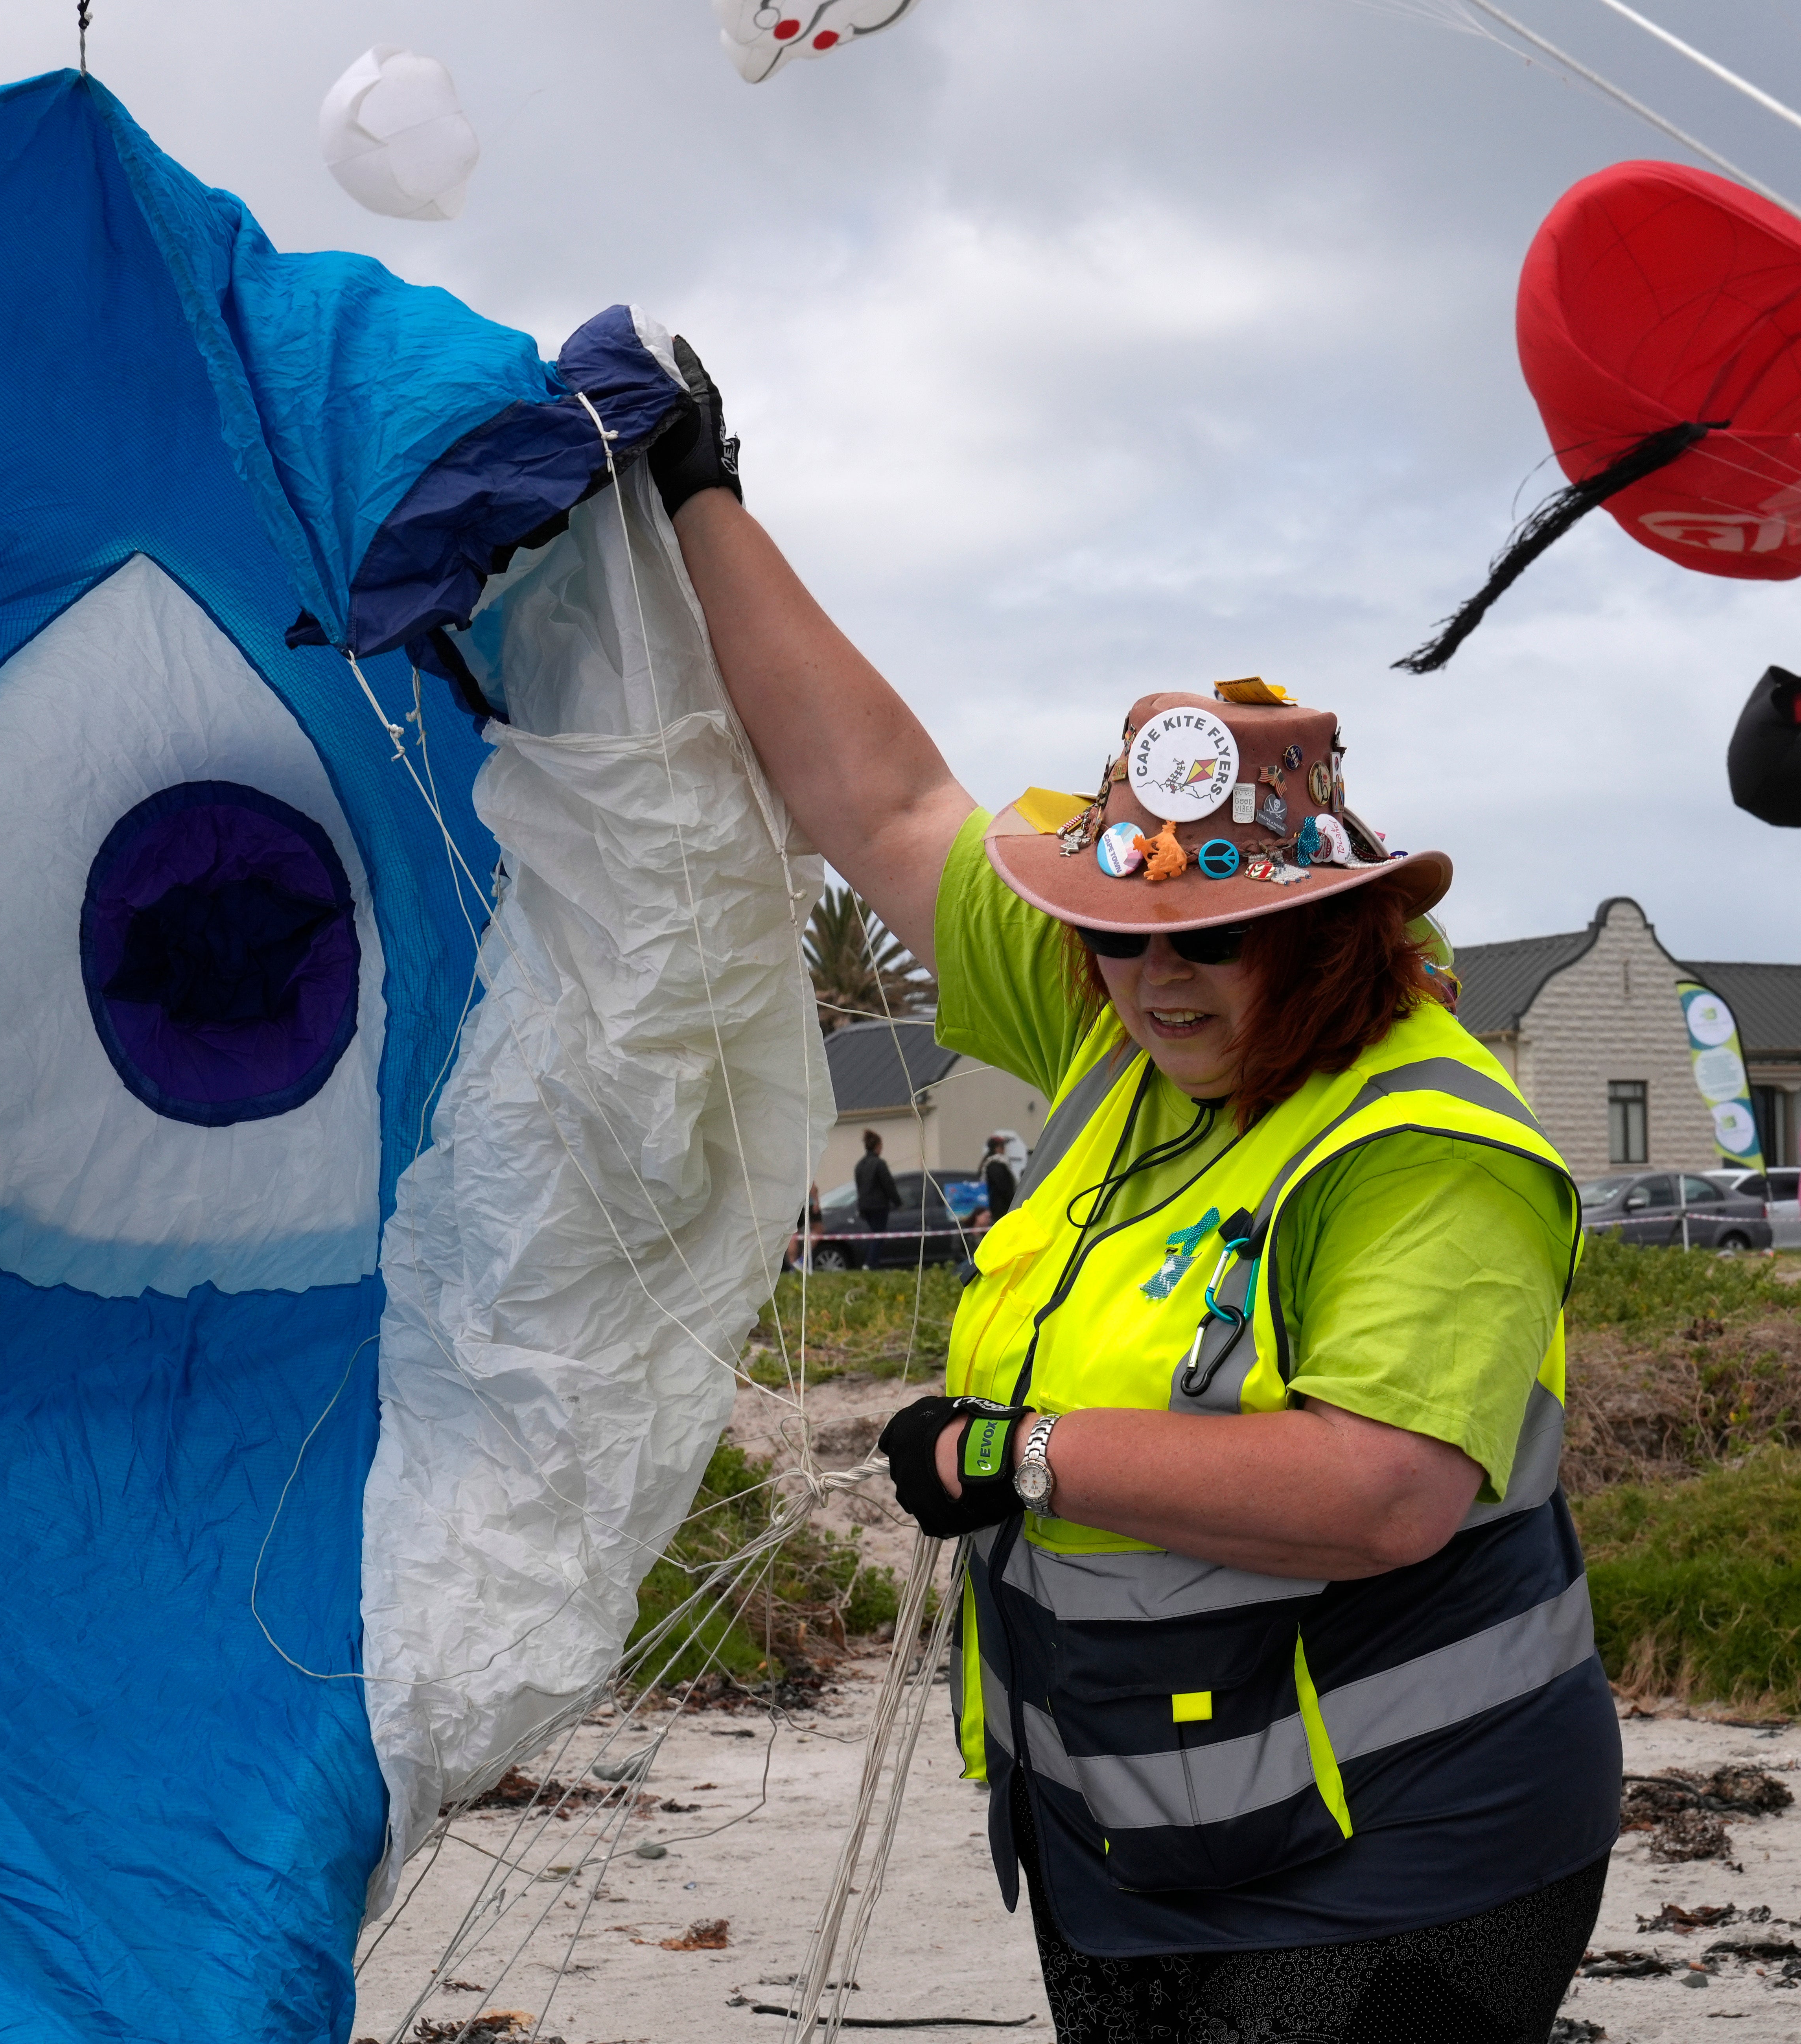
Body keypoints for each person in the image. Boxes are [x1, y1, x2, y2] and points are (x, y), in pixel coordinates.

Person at [647, 349, 1613, 2044]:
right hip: (1127, 1836)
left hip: (1394, 1851)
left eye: (1209, 937)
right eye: (1117, 930)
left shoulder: (1424, 1138)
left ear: (1328, 923)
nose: (1154, 980)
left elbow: (1384, 1488)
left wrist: (1011, 1451)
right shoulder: (1122, 1017)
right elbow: (875, 798)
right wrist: (697, 494)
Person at [853, 1128, 899, 1239]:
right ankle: (872, 1257)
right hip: (879, 1207)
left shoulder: (860, 1165)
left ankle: (873, 1256)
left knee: (875, 1235)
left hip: (865, 1207)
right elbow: (889, 1185)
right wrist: (898, 1202)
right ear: (877, 1146)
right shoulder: (879, 1164)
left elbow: (859, 1187)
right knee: (879, 1238)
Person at [980, 1134, 1019, 1224]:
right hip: (1000, 1209)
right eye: (1002, 1146)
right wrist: (1013, 1202)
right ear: (997, 1148)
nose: (1004, 1149)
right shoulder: (996, 1165)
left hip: (999, 1208)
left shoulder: (990, 1164)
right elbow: (1004, 1188)